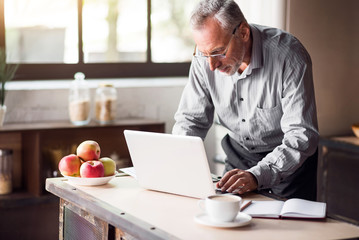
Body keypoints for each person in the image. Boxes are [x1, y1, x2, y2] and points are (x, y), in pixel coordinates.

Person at [172, 0, 319, 200]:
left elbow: (302, 134)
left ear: (243, 32)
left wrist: (256, 175)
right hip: (238, 158)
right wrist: (176, 161)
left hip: (288, 165)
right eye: (204, 54)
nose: (212, 65)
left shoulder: (289, 55)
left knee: (287, 230)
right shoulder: (206, 59)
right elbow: (191, 120)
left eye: (218, 52)